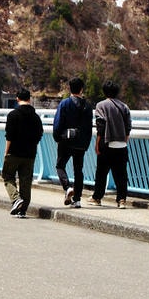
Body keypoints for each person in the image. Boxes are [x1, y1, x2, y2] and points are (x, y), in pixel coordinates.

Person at [52, 77, 93, 208]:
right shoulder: (87, 106)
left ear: (70, 88)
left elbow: (58, 123)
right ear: (82, 89)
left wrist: (57, 137)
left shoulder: (65, 104)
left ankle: (67, 187)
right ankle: (77, 199)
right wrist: (86, 143)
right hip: (81, 142)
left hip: (66, 140)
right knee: (78, 170)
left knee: (60, 165)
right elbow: (89, 127)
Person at [2, 88, 44, 218]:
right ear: (29, 99)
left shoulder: (13, 115)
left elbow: (9, 136)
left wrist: (6, 152)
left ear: (17, 98)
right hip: (30, 153)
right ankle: (23, 209)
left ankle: (16, 199)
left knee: (8, 176)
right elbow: (39, 134)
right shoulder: (36, 117)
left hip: (14, 152)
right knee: (26, 181)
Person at [93, 81, 133, 208]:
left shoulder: (101, 105)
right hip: (121, 144)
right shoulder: (124, 106)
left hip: (107, 142)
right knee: (121, 174)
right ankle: (121, 200)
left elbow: (100, 126)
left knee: (101, 172)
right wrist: (124, 140)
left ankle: (97, 197)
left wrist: (97, 143)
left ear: (104, 92)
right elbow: (128, 127)